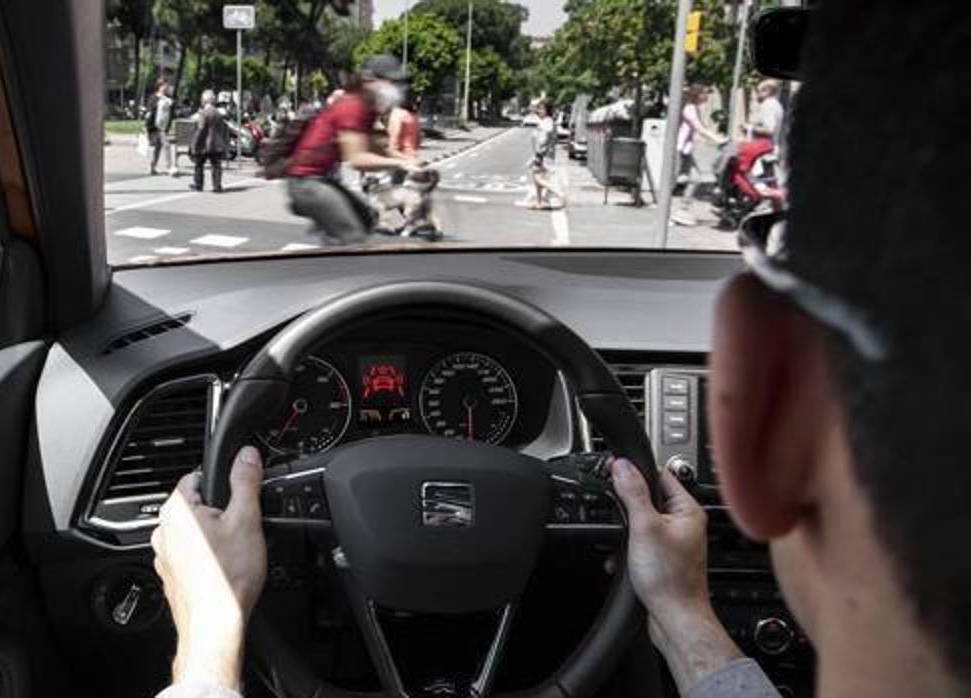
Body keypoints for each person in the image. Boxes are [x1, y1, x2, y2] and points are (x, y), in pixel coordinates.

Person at [151, 4, 971, 698]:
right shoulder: (349, 107)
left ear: (764, 410)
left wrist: (210, 637)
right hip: (314, 180)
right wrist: (682, 612)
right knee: (359, 224)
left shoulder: (365, 104)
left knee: (368, 225)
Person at [283, 54, 423, 245]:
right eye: (393, 82)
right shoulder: (354, 106)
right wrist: (399, 163)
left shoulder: (368, 109)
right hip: (306, 183)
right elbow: (357, 159)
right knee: (354, 238)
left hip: (321, 179)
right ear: (370, 81)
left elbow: (376, 148)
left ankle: (330, 243)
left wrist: (407, 161)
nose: (398, 90)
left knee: (368, 218)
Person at [672, 85, 728, 227]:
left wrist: (716, 138)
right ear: (698, 94)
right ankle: (669, 212)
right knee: (674, 180)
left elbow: (699, 130)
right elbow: (699, 128)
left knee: (694, 179)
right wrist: (718, 139)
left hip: (686, 149)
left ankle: (682, 209)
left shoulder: (694, 108)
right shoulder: (689, 108)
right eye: (705, 93)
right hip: (679, 149)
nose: (707, 96)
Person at [519, 99, 564, 210]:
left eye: (541, 109)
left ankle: (559, 193)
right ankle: (539, 202)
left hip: (543, 155)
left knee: (538, 178)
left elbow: (544, 139)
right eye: (538, 109)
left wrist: (539, 155)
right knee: (537, 178)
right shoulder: (546, 121)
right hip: (543, 154)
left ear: (547, 110)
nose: (538, 111)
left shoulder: (547, 122)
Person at [190, 90, 229, 193]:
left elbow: (201, 129)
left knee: (199, 164)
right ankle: (217, 185)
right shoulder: (218, 113)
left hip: (205, 143)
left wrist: (195, 142)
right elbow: (223, 129)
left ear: (204, 100)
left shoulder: (204, 113)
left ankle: (198, 184)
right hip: (216, 143)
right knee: (216, 165)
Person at [147, 81, 175, 176]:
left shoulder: (168, 98)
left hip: (163, 126)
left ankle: (153, 167)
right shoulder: (153, 98)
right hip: (155, 126)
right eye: (164, 86)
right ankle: (169, 167)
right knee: (166, 145)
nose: (166, 88)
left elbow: (171, 109)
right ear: (159, 86)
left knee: (158, 148)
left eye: (167, 86)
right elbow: (150, 111)